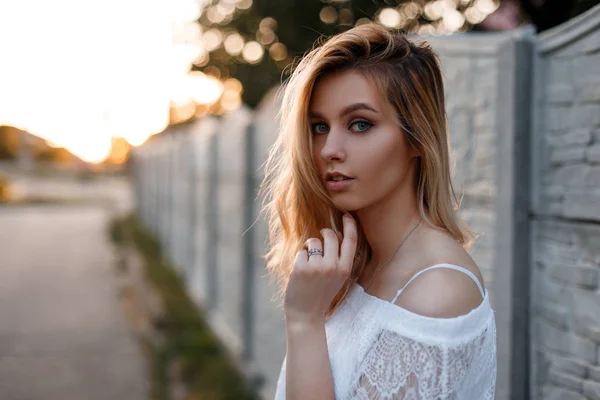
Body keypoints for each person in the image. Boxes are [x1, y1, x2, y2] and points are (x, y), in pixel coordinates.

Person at [258, 23, 497, 400]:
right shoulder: (353, 263)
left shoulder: (437, 295)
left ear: (417, 138)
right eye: (319, 126)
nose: (327, 150)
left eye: (360, 124)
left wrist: (304, 321)